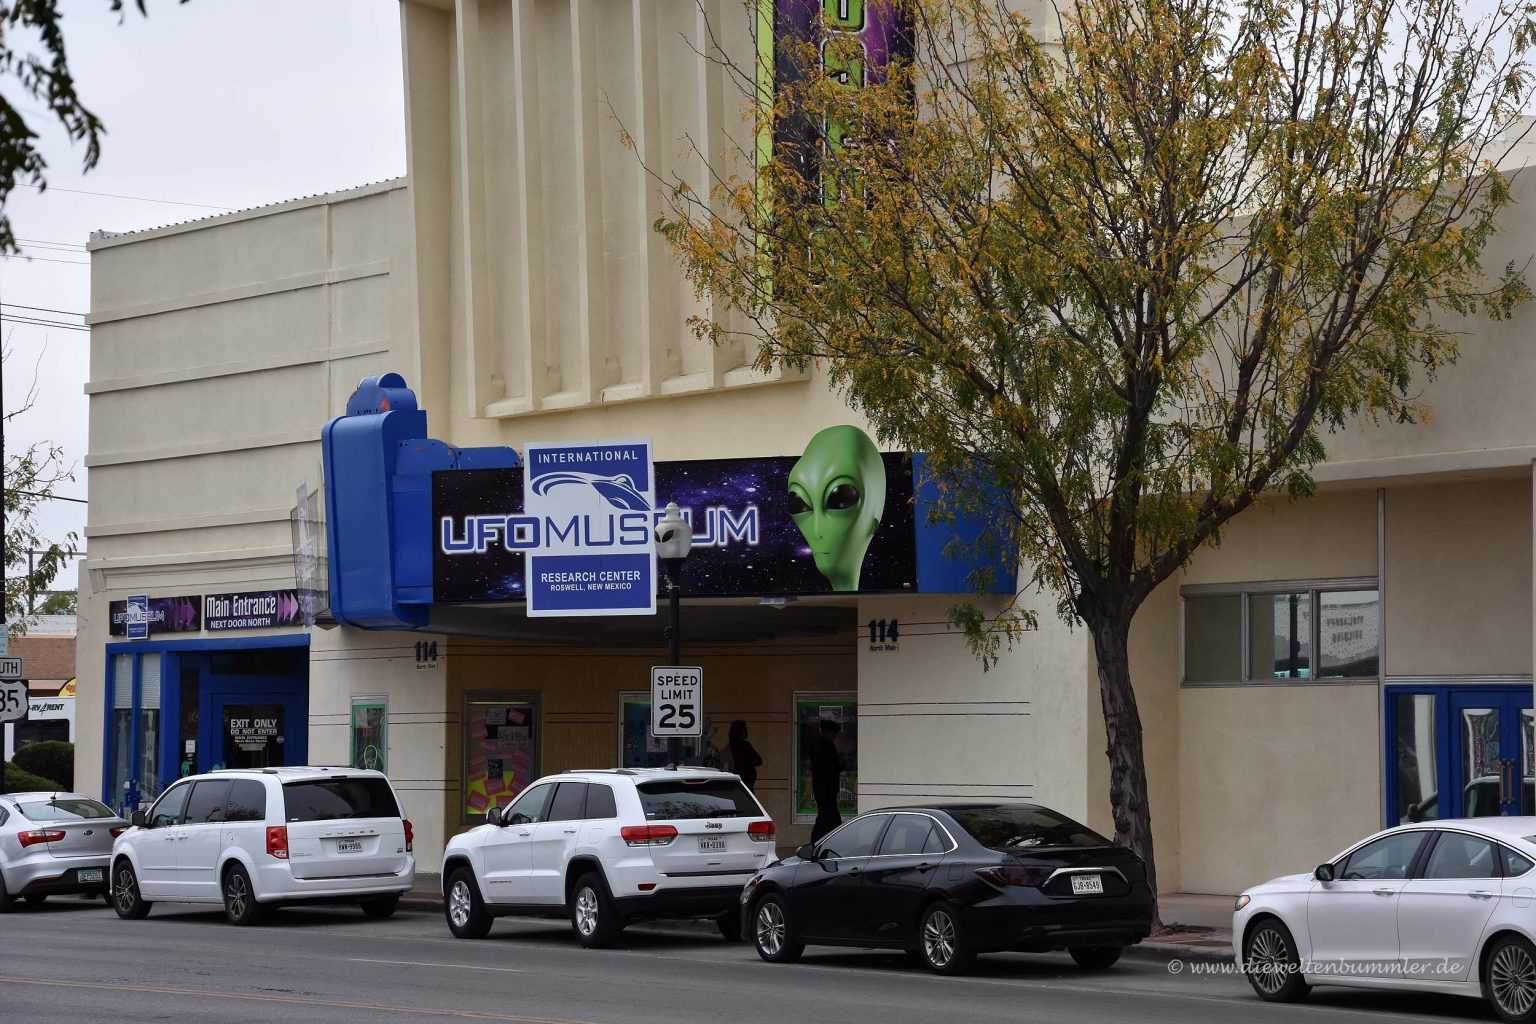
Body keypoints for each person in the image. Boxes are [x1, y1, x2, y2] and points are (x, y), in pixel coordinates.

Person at [809, 719, 843, 842]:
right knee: (828, 817)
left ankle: (821, 842)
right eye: (833, 735)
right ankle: (819, 842)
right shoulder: (820, 748)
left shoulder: (827, 746)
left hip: (828, 788)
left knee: (827, 817)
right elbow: (828, 767)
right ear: (828, 733)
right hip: (824, 788)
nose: (834, 738)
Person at [727, 720, 763, 791]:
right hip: (746, 781)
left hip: (735, 782)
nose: (746, 731)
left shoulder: (729, 746)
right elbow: (759, 761)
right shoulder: (745, 746)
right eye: (744, 729)